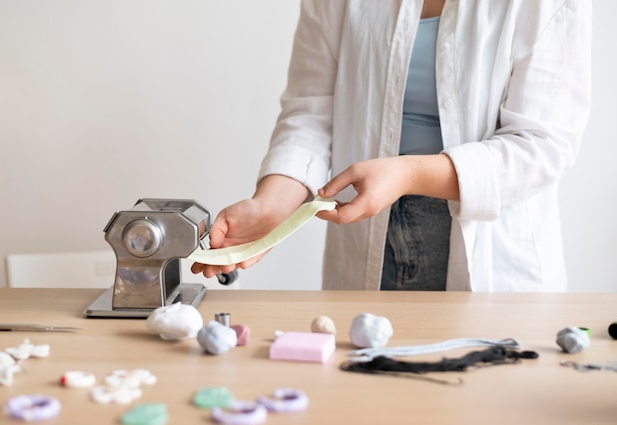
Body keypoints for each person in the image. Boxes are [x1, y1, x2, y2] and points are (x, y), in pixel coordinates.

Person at [192, 0, 592, 292]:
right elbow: (311, 113)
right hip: (366, 237)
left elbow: (543, 143)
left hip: (493, 251)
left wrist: (407, 174)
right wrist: (273, 203)